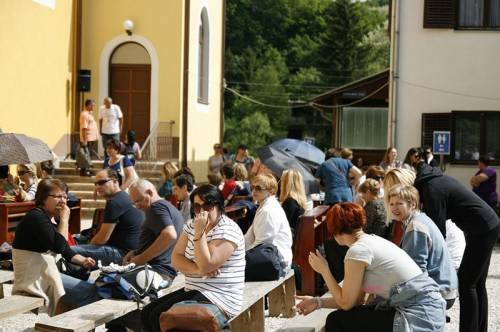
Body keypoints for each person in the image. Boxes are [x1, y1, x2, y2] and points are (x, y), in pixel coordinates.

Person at [295, 203, 446, 331]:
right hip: (429, 310)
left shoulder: (357, 251)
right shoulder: (371, 241)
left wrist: (324, 270)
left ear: (335, 231)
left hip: (417, 315)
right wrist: (317, 302)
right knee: (350, 316)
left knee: (337, 320)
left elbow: (346, 304)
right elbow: (355, 301)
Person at [140, 185, 246, 331]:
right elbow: (176, 259)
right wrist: (198, 270)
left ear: (219, 205)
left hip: (220, 295)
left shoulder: (228, 230)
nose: (202, 211)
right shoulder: (192, 225)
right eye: (197, 206)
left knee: (159, 316)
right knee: (147, 313)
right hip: (194, 289)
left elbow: (206, 265)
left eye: (207, 205)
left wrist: (199, 233)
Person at [414, 160, 500, 332]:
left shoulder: (431, 190)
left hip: (481, 230)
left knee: (467, 284)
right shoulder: (437, 180)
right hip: (488, 225)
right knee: (477, 283)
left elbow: (437, 232)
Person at [12, 179, 100, 313]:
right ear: (43, 198)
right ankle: (68, 325)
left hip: (45, 272)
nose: (63, 201)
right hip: (33, 277)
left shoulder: (47, 217)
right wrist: (64, 220)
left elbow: (64, 248)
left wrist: (81, 259)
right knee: (90, 292)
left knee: (94, 286)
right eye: (58, 196)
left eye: (65, 196)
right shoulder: (36, 217)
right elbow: (58, 246)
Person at [387, 185, 458, 308]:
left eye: (399, 203)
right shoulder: (421, 219)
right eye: (391, 204)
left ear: (413, 204)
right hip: (446, 288)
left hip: (439, 292)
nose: (394, 208)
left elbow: (415, 270)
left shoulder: (415, 226)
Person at [72, 169, 144, 266]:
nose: (97, 187)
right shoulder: (124, 197)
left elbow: (102, 239)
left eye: (102, 182)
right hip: (130, 252)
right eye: (96, 184)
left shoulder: (114, 202)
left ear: (115, 182)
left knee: (69, 251)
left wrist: (88, 245)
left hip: (122, 254)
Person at [125, 179, 184, 280]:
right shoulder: (166, 207)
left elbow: (170, 235)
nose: (137, 206)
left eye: (139, 200)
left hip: (157, 271)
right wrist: (135, 253)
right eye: (134, 203)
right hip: (160, 270)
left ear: (150, 193)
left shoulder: (156, 207)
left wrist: (141, 259)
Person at [246, 174, 293, 269]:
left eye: (258, 188)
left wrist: (241, 257)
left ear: (271, 191)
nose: (254, 191)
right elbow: (249, 237)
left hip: (277, 262)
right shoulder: (265, 206)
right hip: (269, 257)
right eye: (253, 187)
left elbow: (262, 244)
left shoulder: (268, 210)